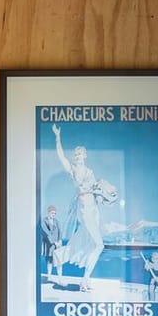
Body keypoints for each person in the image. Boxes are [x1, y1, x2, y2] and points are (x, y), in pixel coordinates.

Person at [52, 123, 110, 292]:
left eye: (79, 154)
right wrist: (58, 137)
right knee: (99, 245)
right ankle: (84, 281)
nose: (77, 156)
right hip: (84, 210)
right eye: (75, 154)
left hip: (94, 209)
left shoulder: (90, 171)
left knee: (89, 244)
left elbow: (96, 191)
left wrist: (102, 196)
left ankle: (82, 277)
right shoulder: (72, 170)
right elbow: (61, 156)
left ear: (85, 155)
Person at [40, 205, 63, 282]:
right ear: (48, 212)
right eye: (52, 213)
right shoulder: (44, 221)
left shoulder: (56, 221)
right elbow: (46, 232)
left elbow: (60, 231)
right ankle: (49, 276)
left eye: (55, 213)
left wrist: (59, 240)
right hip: (49, 244)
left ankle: (60, 276)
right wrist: (53, 242)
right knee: (49, 260)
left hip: (57, 244)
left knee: (59, 260)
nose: (54, 215)